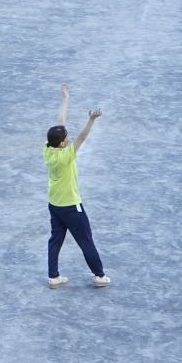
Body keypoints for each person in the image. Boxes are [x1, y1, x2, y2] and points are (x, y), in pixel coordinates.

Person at [45, 83, 110, 289]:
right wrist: (91, 119)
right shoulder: (66, 156)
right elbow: (82, 137)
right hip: (71, 205)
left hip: (54, 203)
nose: (69, 136)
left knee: (55, 240)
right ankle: (99, 276)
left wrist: (65, 98)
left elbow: (59, 122)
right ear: (63, 144)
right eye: (66, 137)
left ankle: (53, 277)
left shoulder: (48, 149)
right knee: (86, 240)